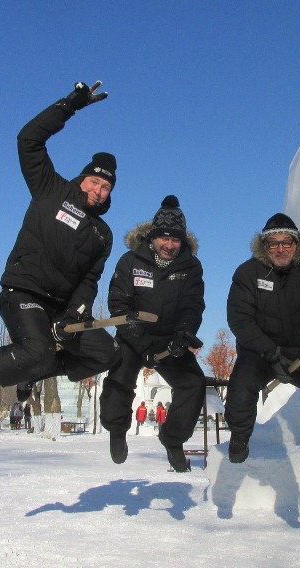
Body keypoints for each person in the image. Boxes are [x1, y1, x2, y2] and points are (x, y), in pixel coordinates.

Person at [0, 81, 121, 410]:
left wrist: (75, 314)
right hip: (24, 293)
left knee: (106, 353)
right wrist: (69, 106)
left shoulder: (102, 234)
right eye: (95, 181)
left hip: (60, 309)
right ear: (83, 178)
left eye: (106, 187)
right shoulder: (49, 189)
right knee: (36, 350)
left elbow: (89, 281)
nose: (98, 190)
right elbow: (28, 140)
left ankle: (33, 372)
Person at [224, 213, 300, 486]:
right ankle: (240, 438)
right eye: (273, 243)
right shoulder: (247, 272)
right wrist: (269, 352)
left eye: (286, 243)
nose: (280, 249)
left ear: (296, 244)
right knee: (241, 386)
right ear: (264, 246)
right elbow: (239, 318)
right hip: (259, 351)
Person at [100, 196, 205, 472]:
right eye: (164, 239)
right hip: (133, 334)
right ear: (153, 237)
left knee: (193, 384)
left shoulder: (191, 266)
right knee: (119, 379)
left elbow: (193, 306)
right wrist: (141, 343)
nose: (170, 245)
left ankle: (173, 440)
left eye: (176, 240)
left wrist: (185, 333)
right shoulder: (130, 261)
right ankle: (117, 430)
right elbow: (119, 305)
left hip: (170, 340)